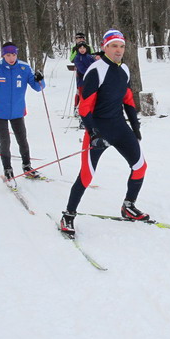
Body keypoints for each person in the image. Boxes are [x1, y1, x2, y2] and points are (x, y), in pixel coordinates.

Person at [60, 29, 148, 236]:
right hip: (98, 129)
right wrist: (94, 133)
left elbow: (127, 99)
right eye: (114, 46)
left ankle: (128, 206)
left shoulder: (124, 69)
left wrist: (134, 127)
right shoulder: (96, 70)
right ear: (105, 47)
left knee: (140, 166)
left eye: (122, 46)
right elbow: (84, 108)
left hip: (119, 127)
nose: (119, 50)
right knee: (86, 176)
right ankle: (68, 215)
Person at [0, 42, 45, 179]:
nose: (11, 58)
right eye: (8, 55)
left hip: (17, 111)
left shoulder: (24, 67)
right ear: (3, 55)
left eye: (13, 54)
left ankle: (27, 165)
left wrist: (40, 79)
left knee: (22, 139)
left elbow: (38, 87)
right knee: (5, 141)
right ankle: (7, 168)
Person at [72, 41, 97, 125]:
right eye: (80, 48)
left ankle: (91, 117)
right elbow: (82, 70)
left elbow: (95, 66)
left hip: (92, 82)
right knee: (83, 100)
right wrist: (91, 70)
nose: (82, 50)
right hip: (82, 82)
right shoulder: (77, 58)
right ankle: (82, 120)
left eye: (84, 48)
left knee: (92, 100)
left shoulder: (90, 57)